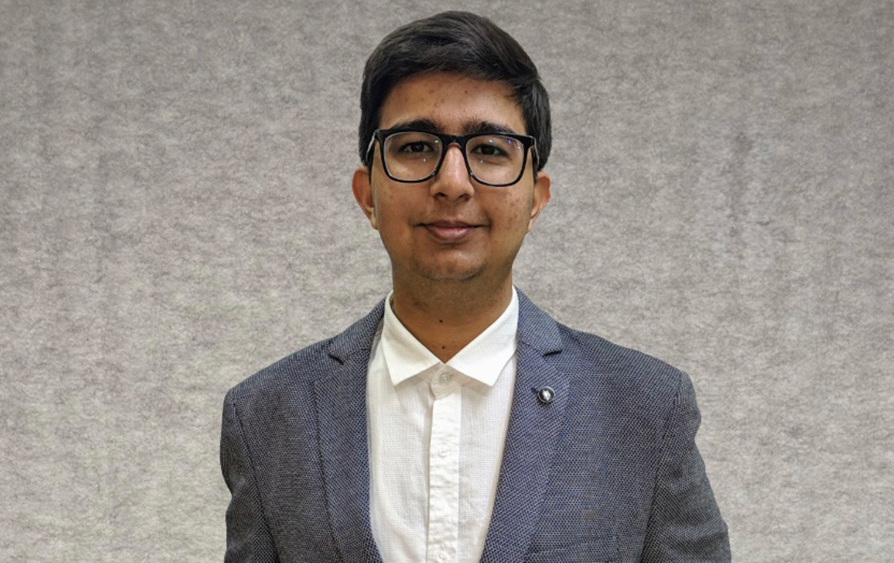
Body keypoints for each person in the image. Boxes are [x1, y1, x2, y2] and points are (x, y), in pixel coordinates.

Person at [220, 11, 729, 562]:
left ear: (537, 196)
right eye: (416, 146)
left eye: (489, 149)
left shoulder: (645, 408)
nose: (452, 182)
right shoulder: (268, 415)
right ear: (368, 194)